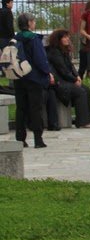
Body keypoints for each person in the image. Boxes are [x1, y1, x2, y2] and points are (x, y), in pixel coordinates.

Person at [13, 13, 51, 147]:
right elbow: (40, 59)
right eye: (33, 21)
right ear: (29, 23)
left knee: (21, 108)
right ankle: (38, 139)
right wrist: (47, 72)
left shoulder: (15, 39)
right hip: (33, 77)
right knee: (35, 108)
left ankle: (20, 139)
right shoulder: (34, 39)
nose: (34, 23)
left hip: (18, 77)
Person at [45, 29, 90, 129]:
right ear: (58, 39)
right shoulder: (54, 52)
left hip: (67, 80)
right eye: (64, 37)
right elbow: (62, 70)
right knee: (80, 91)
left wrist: (77, 76)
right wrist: (74, 80)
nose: (68, 39)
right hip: (59, 83)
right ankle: (82, 122)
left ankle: (85, 119)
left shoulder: (64, 51)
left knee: (87, 90)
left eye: (68, 37)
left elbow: (71, 66)